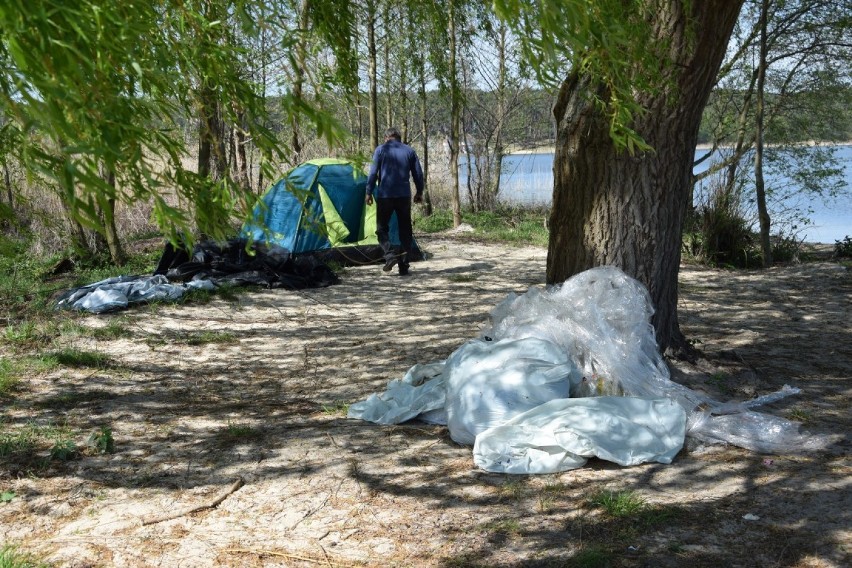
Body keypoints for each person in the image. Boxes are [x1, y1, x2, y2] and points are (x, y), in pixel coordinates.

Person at [365, 127, 424, 276]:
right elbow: (418, 173)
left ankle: (390, 256)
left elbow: (372, 173)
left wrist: (368, 192)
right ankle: (404, 266)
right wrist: (419, 192)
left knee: (381, 228)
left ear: (386, 138)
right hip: (403, 196)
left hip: (385, 195)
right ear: (399, 137)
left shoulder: (380, 150)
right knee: (405, 230)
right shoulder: (409, 151)